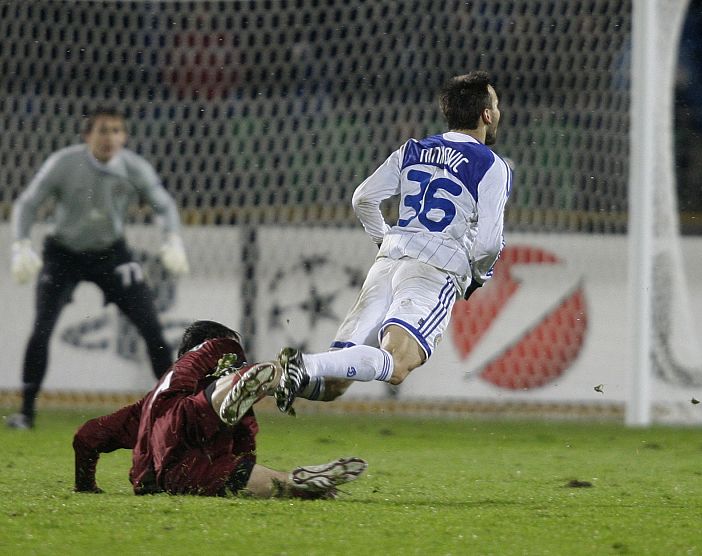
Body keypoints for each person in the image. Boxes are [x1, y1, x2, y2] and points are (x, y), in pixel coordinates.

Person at [272, 70, 511, 413]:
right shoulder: (490, 165)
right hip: (433, 269)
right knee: (397, 364)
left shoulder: (413, 149)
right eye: (496, 105)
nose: (499, 112)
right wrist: (477, 275)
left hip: (388, 263)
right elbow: (488, 244)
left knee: (334, 382)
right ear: (486, 115)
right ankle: (305, 364)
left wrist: (385, 241)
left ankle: (258, 377)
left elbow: (362, 199)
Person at [7, 107, 190, 430]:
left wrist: (173, 239)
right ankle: (26, 412)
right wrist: (20, 243)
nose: (110, 138)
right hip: (63, 254)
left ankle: (175, 411)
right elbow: (28, 202)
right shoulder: (64, 163)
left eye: (116, 131)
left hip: (112, 254)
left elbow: (163, 204)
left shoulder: (133, 167)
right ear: (87, 135)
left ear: (125, 136)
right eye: (103, 130)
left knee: (151, 328)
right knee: (42, 327)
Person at [73, 320, 367, 498]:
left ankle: (297, 483)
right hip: (194, 414)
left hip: (173, 477)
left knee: (250, 479)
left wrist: (86, 486)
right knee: (215, 398)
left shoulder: (146, 408)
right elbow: (238, 442)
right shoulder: (202, 363)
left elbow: (87, 436)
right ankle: (264, 376)